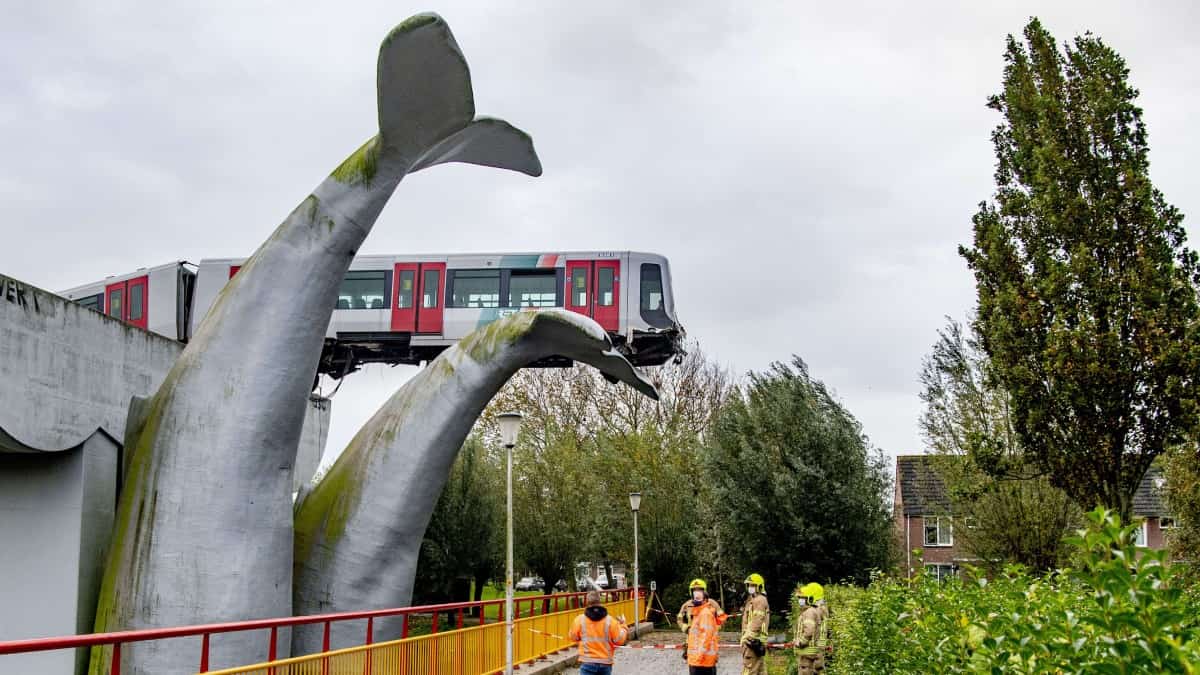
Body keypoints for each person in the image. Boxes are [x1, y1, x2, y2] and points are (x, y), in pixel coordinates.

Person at [568, 591, 628, 675]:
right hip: (605, 663)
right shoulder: (610, 621)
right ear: (600, 602)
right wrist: (623, 625)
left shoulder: (579, 620)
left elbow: (572, 637)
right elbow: (620, 640)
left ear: (587, 602)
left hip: (587, 662)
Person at [681, 579, 724, 675]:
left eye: (699, 590)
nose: (697, 593)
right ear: (691, 592)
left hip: (703, 652)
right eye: (695, 590)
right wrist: (685, 628)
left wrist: (714, 628)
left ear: (704, 591)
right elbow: (680, 618)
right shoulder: (687, 605)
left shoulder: (711, 605)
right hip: (692, 641)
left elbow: (721, 618)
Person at [739, 573, 770, 675]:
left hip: (753, 641)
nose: (750, 588)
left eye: (753, 585)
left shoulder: (760, 600)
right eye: (749, 585)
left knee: (749, 669)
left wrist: (746, 637)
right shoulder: (754, 600)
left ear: (759, 587)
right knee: (760, 670)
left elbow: (757, 621)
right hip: (756, 641)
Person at [793, 583, 825, 675]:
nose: (800, 600)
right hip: (808, 653)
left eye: (802, 598)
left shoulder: (809, 612)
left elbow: (809, 631)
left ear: (809, 599)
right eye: (799, 598)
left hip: (807, 652)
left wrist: (800, 642)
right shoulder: (811, 611)